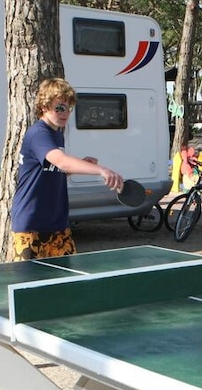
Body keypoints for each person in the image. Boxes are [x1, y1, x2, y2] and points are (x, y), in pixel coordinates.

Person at [10, 78, 124, 261]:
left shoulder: (56, 135)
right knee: (31, 279)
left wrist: (83, 164)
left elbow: (56, 169)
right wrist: (101, 170)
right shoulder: (39, 134)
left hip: (58, 224)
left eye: (69, 108)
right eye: (60, 108)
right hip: (31, 227)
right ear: (44, 106)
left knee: (66, 277)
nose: (65, 113)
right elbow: (61, 162)